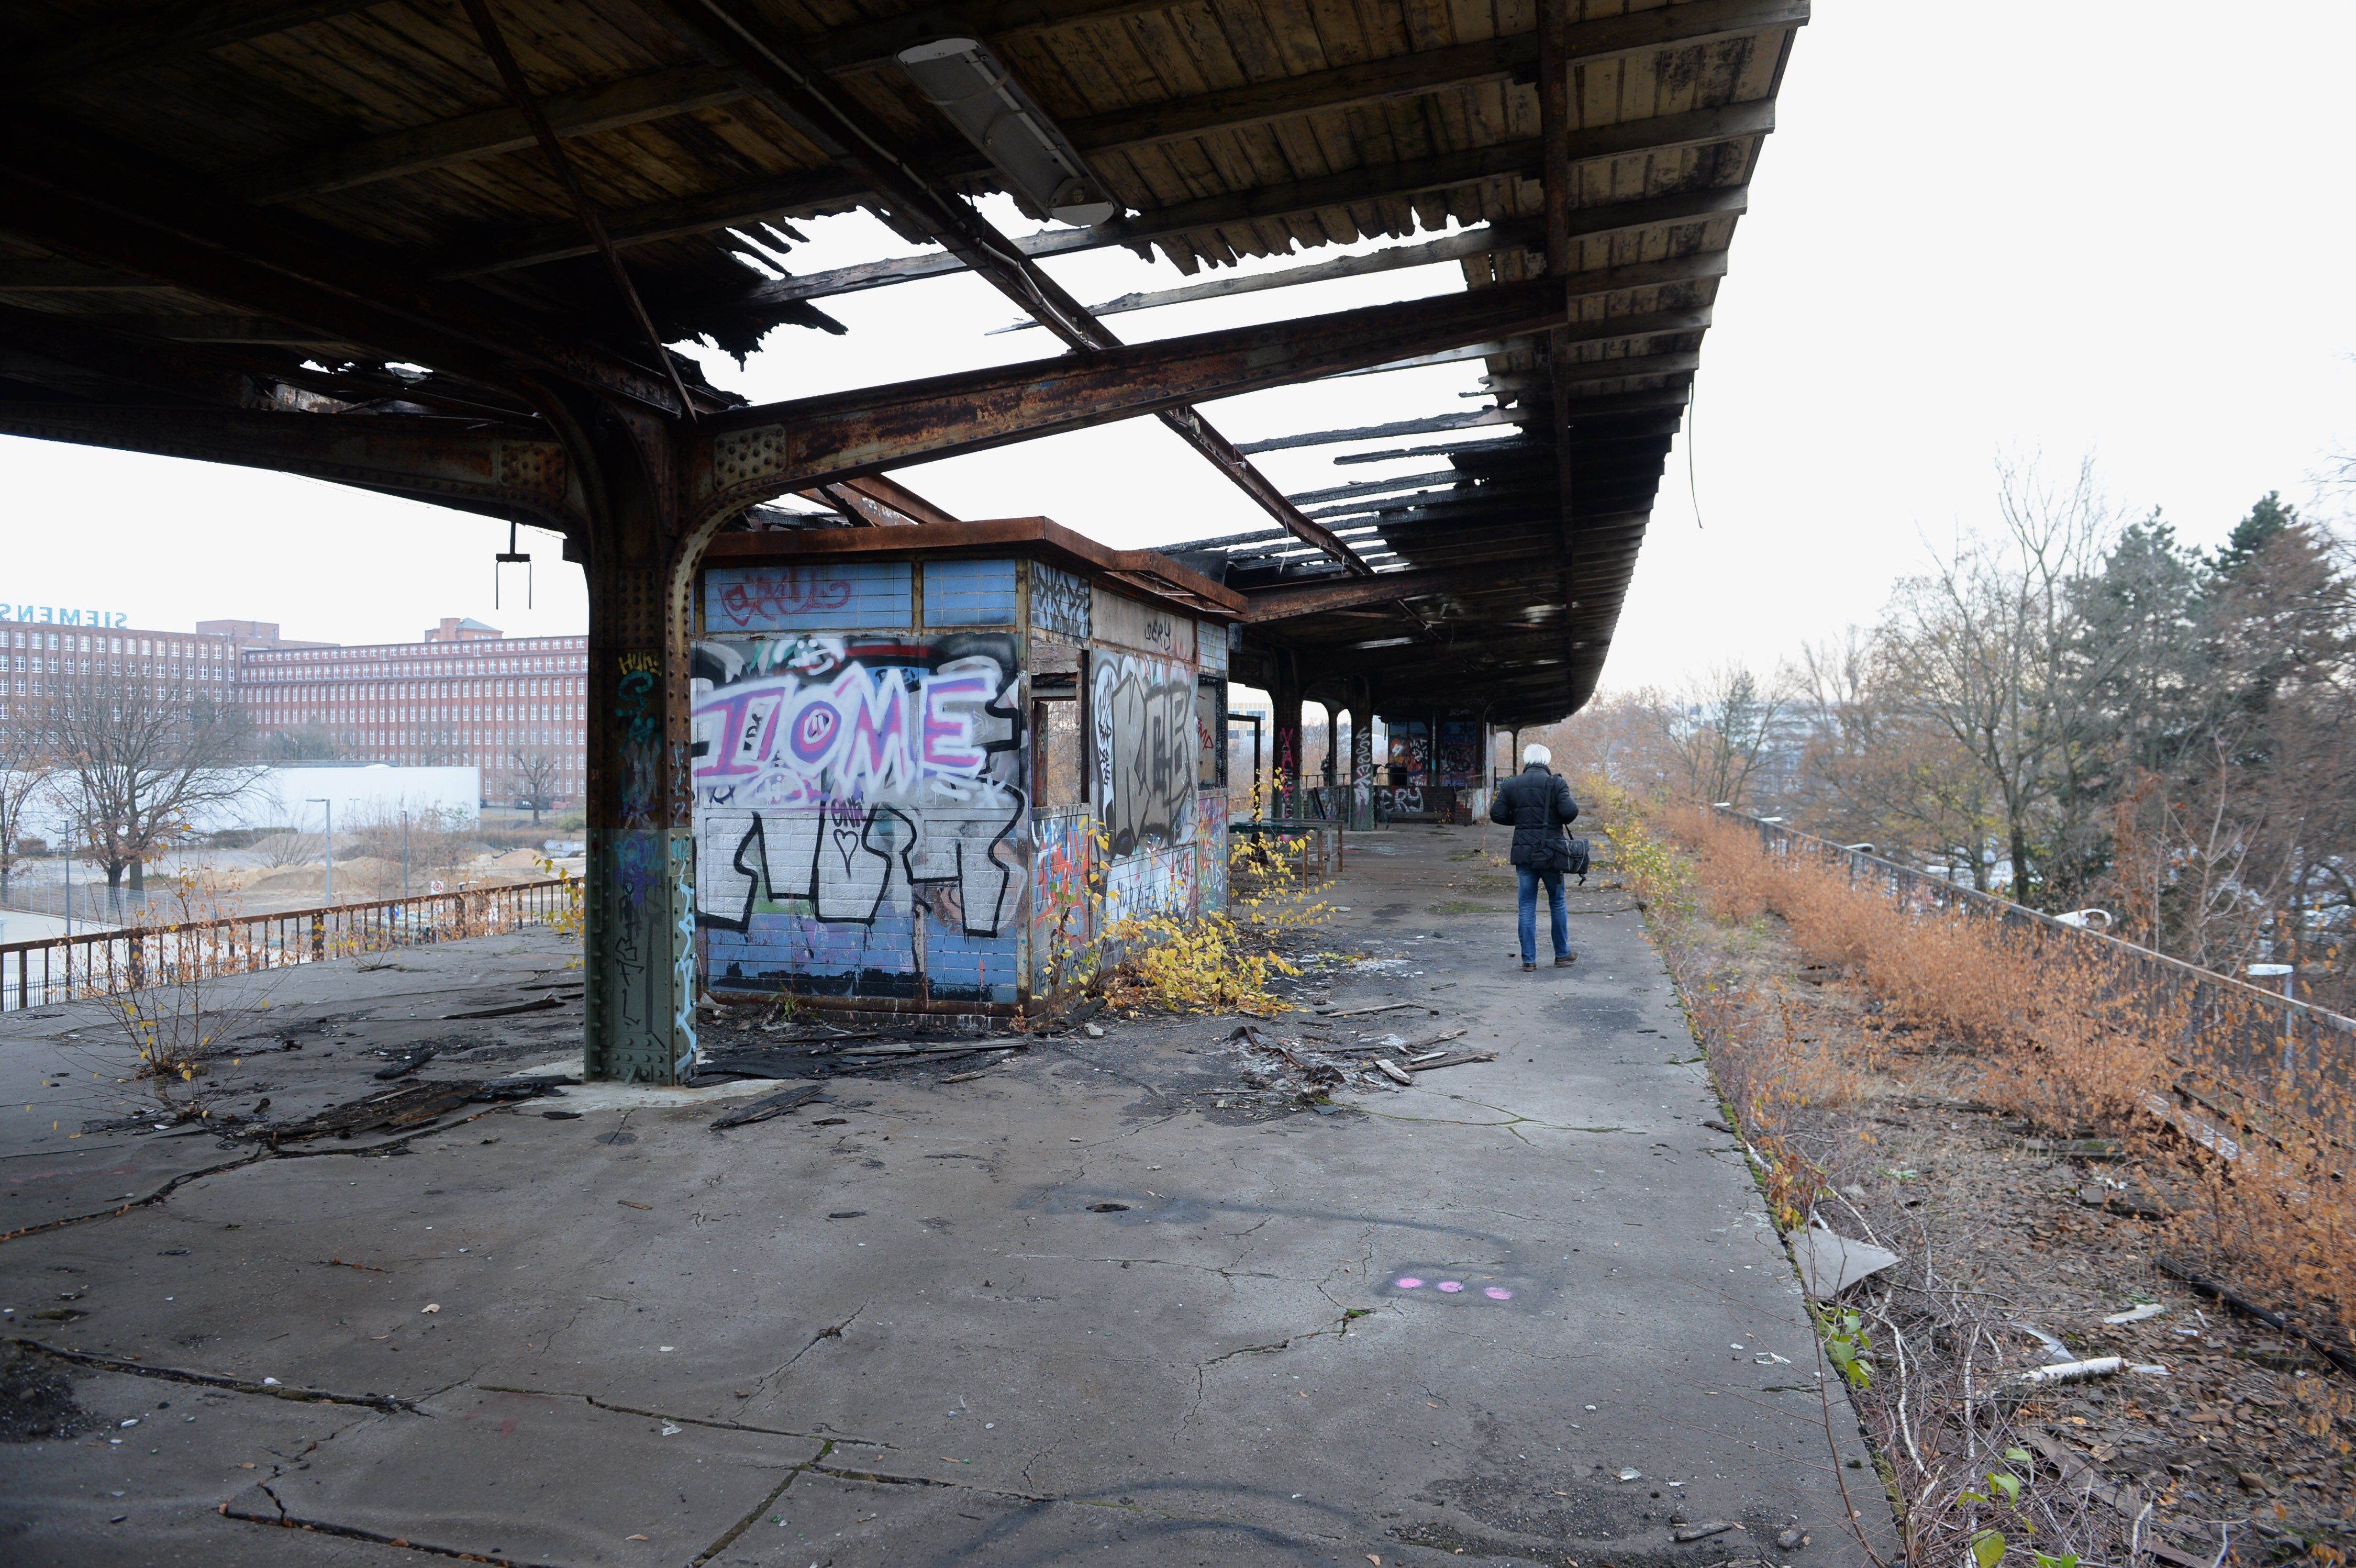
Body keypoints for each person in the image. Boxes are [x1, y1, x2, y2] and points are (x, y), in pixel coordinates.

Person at [1487, 742, 1579, 971]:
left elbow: (1497, 814)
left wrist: (1521, 821)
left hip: (1525, 854)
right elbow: (1570, 812)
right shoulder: (1556, 783)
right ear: (1546, 761)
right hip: (1552, 854)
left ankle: (1529, 960)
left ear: (1526, 761)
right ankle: (1562, 954)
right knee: (1557, 903)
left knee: (1527, 906)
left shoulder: (1512, 784)